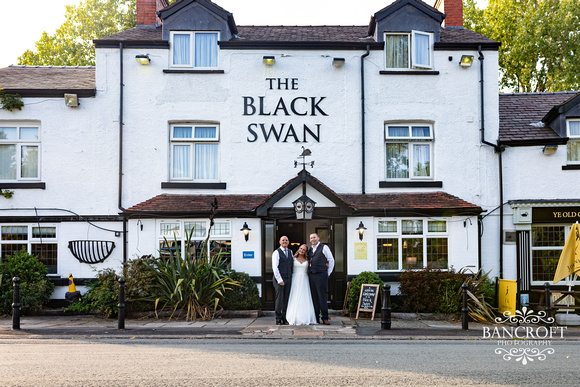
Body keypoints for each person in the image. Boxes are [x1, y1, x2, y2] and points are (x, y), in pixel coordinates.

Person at [285, 244, 317, 325]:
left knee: (304, 297)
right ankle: (294, 316)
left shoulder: (308, 259)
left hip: (304, 280)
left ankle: (305, 316)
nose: (301, 250)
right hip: (295, 279)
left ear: (306, 252)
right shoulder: (293, 258)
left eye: (303, 250)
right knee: (295, 296)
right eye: (300, 248)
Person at [308, 232, 335, 325]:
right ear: (310, 240)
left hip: (321, 275)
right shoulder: (310, 249)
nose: (313, 239)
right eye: (311, 238)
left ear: (318, 238)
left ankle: (325, 318)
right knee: (314, 297)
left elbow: (331, 260)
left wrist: (328, 273)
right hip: (312, 276)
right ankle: (316, 318)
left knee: (322, 297)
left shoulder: (324, 247)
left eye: (314, 237)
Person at [272, 236, 293, 325]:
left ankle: (285, 318)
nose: (285, 241)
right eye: (283, 240)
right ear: (280, 242)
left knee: (286, 299)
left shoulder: (290, 252)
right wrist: (280, 280)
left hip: (288, 278)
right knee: (279, 299)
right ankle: (278, 318)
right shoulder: (276, 252)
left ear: (288, 242)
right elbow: (275, 267)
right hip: (279, 279)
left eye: (286, 240)